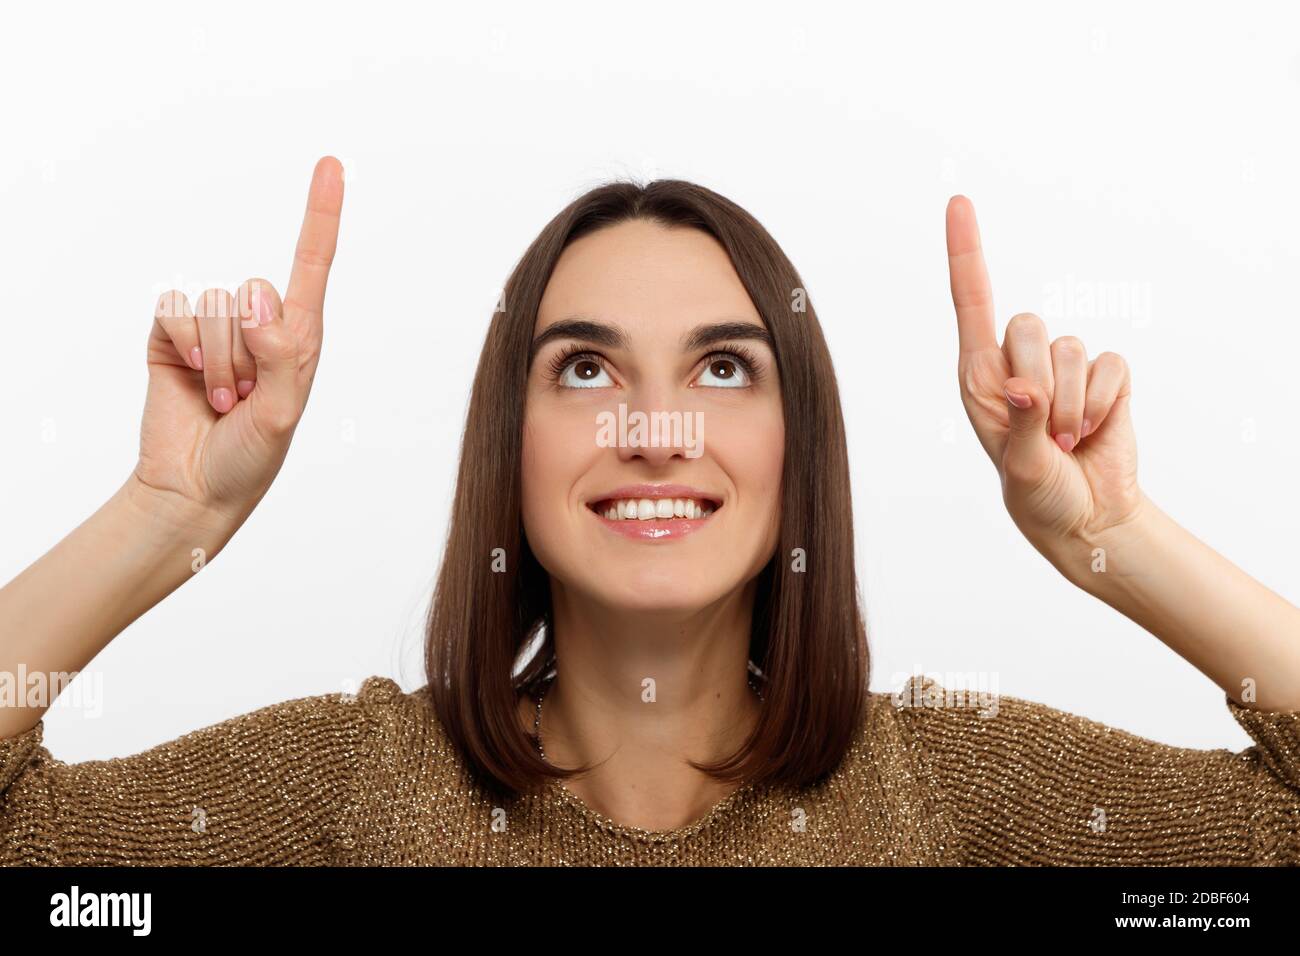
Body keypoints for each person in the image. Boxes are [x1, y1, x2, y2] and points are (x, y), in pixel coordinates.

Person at [1, 157, 1297, 866]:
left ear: (805, 452)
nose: (656, 426)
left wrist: (1111, 540)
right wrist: (166, 510)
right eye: (587, 368)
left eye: (723, 367)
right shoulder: (363, 783)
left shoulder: (943, 783)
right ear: (511, 446)